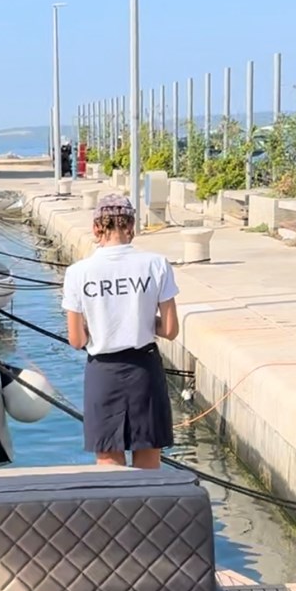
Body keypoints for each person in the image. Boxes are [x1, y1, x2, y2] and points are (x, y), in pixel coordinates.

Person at [62, 191, 179, 469]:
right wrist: (140, 320)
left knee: (108, 461)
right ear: (131, 227)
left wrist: (100, 324)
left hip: (103, 373)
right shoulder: (156, 264)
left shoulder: (78, 272)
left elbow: (77, 340)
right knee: (148, 459)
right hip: (145, 370)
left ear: (96, 228)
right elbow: (170, 329)